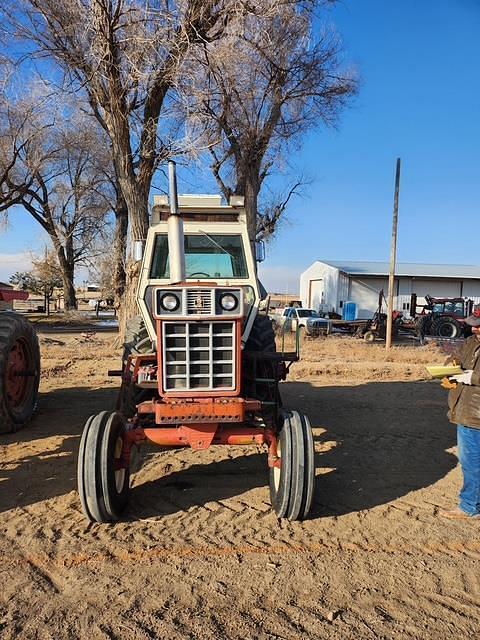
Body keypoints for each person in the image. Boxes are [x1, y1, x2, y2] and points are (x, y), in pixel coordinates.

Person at [441, 304, 480, 520]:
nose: (474, 329)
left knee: (472, 462)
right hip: (465, 409)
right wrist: (450, 369)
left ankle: (470, 507)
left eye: (479, 326)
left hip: (476, 415)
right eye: (474, 325)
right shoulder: (471, 342)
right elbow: (455, 357)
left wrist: (471, 378)